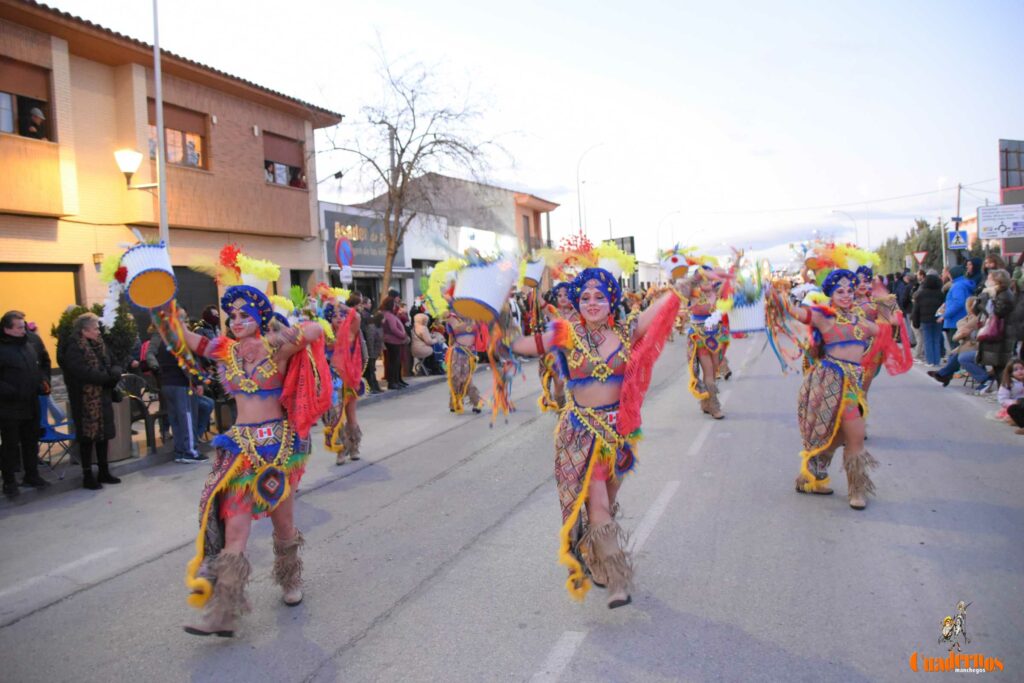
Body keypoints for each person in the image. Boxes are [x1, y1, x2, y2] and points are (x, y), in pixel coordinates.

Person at [508, 267, 680, 608]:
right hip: (580, 434)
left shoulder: (626, 330)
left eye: (600, 296)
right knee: (598, 505)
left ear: (612, 299)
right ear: (577, 301)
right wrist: (497, 320)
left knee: (606, 508)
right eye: (585, 297)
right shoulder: (566, 334)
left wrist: (682, 288)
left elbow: (660, 309)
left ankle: (596, 555)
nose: (592, 302)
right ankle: (618, 581)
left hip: (618, 437)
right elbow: (524, 345)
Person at [173, 279, 328, 637]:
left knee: (283, 526)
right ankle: (224, 612)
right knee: (236, 529)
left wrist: (276, 337)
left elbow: (316, 330)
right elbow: (188, 341)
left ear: (259, 317)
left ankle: (290, 581)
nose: (236, 320)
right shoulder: (225, 350)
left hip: (279, 450)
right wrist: (167, 315)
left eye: (244, 314)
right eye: (232, 315)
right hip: (241, 450)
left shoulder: (278, 350)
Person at [768, 265, 909, 510]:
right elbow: (795, 312)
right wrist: (777, 295)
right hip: (829, 381)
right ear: (831, 294)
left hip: (852, 384)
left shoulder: (862, 323)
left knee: (847, 435)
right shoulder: (825, 317)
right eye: (839, 290)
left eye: (849, 290)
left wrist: (886, 303)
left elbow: (888, 330)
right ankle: (819, 475)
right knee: (839, 433)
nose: (845, 295)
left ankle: (846, 486)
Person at [60, 313, 123, 490]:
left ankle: (104, 471)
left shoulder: (101, 345)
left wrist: (115, 374)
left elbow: (115, 361)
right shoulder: (74, 347)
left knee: (103, 436)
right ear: (84, 330)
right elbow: (81, 371)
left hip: (103, 396)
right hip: (85, 399)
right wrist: (106, 378)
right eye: (95, 328)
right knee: (88, 438)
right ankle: (87, 475)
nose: (98, 331)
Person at [0, 311, 49, 495]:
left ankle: (32, 474)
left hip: (31, 401)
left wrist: (44, 380)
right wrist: (9, 390)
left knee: (31, 441)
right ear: (7, 329)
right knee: (10, 445)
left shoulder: (29, 344)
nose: (24, 330)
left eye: (24, 326)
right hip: (9, 406)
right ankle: (9, 481)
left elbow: (42, 364)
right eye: (19, 327)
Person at [677, 264, 730, 420]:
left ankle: (706, 402)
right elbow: (681, 288)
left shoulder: (716, 292)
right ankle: (714, 405)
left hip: (716, 336)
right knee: (708, 371)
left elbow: (731, 285)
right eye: (703, 277)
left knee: (713, 371)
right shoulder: (692, 294)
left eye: (709, 276)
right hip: (699, 337)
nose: (707, 280)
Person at [147, 329, 206, 464]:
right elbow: (187, 365)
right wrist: (198, 382)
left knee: (175, 420)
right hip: (181, 384)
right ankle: (191, 452)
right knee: (187, 418)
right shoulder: (178, 340)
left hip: (166, 384)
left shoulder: (163, 340)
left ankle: (179, 452)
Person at [324, 297, 367, 465]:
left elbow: (357, 317)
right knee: (335, 416)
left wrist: (342, 306)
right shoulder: (325, 335)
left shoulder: (350, 332)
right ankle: (340, 450)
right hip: (333, 382)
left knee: (351, 414)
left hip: (349, 381)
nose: (339, 318)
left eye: (341, 315)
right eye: (335, 316)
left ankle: (354, 446)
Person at [927, 296, 988, 387]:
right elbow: (957, 335)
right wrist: (961, 333)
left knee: (958, 354)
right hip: (967, 345)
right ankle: (944, 374)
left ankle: (944, 374)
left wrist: (963, 331)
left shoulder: (979, 318)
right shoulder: (966, 319)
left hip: (976, 345)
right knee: (956, 353)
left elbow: (966, 329)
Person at [976, 269, 1016, 388]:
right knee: (997, 365)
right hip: (996, 333)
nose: (987, 281)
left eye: (990, 278)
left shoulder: (1005, 294)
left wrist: (984, 300)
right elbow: (977, 309)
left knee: (1001, 366)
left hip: (1001, 334)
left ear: (998, 281)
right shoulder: (994, 293)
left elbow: (997, 312)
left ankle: (1005, 391)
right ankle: (1002, 391)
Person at [444, 311, 484, 413]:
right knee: (457, 378)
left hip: (467, 354)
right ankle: (455, 402)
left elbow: (452, 339)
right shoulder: (454, 319)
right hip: (460, 353)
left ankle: (475, 402)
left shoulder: (474, 319)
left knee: (464, 379)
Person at [911, 272, 945, 366]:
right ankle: (936, 360)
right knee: (936, 340)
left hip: (925, 320)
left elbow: (916, 309)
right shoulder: (940, 294)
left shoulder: (921, 294)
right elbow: (944, 307)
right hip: (938, 319)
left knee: (928, 340)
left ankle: (930, 361)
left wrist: (915, 321)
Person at [380, 298, 408, 390]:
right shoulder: (388, 315)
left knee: (395, 362)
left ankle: (396, 381)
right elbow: (393, 328)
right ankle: (393, 382)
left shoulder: (388, 314)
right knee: (393, 362)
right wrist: (403, 335)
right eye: (394, 304)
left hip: (394, 340)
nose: (395, 306)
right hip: (393, 341)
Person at [359, 296, 383, 393]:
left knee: (371, 368)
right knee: (370, 368)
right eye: (369, 303)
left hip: (371, 344)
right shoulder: (365, 315)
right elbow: (369, 333)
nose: (370, 304)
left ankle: (374, 386)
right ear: (364, 304)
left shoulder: (367, 315)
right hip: (369, 345)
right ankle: (372, 387)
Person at [999, 360, 1024, 434]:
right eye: (1016, 370)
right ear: (1010, 373)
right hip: (1018, 405)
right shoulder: (1008, 383)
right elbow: (1002, 400)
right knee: (1012, 409)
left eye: (1022, 368)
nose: (1020, 371)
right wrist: (1015, 402)